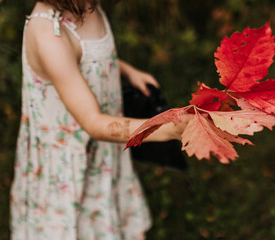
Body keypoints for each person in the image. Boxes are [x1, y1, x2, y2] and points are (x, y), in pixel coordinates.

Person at [10, 0, 186, 239]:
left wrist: (126, 70)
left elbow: (89, 53)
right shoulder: (48, 35)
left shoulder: (87, 5)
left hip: (102, 148)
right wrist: (168, 128)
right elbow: (93, 122)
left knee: (103, 195)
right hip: (70, 155)